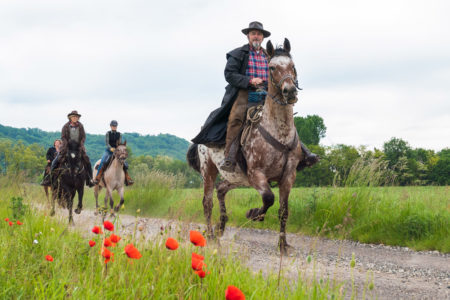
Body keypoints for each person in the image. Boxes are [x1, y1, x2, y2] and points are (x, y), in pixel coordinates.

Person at [192, 21, 319, 172]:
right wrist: (250, 81)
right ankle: (229, 157)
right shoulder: (238, 53)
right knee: (236, 119)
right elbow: (229, 74)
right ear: (248, 36)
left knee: (285, 117)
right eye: (253, 34)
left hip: (267, 95)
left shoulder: (269, 55)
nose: (256, 36)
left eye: (259, 34)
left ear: (263, 37)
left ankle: (304, 152)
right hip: (245, 94)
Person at [50, 110, 95, 187]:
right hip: (67, 146)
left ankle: (89, 179)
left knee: (87, 160)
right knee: (56, 160)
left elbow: (83, 136)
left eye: (76, 117)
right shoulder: (65, 126)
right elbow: (63, 137)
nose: (75, 118)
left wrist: (81, 143)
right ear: (70, 117)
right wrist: (66, 143)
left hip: (78, 146)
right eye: (73, 117)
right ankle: (52, 179)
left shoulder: (81, 126)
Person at [93, 120, 133, 186]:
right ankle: (97, 178)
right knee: (103, 161)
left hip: (117, 151)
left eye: (115, 126)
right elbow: (107, 143)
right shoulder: (108, 133)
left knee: (124, 163)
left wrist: (118, 149)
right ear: (111, 126)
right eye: (113, 126)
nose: (114, 127)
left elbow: (119, 144)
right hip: (109, 151)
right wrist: (111, 148)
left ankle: (127, 179)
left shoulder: (119, 134)